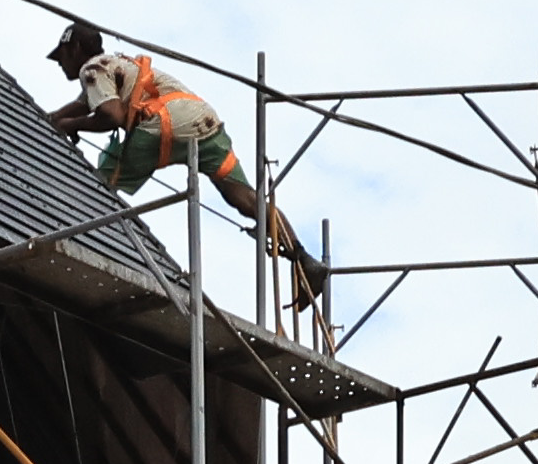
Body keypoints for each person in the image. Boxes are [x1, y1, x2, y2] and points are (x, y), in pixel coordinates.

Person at [40, 21, 330, 310]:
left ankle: (75, 240)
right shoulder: (115, 65)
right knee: (245, 198)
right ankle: (304, 261)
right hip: (203, 121)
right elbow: (82, 106)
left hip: (163, 124)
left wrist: (69, 125)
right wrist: (56, 119)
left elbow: (111, 115)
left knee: (100, 184)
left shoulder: (91, 69)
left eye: (62, 56)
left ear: (75, 48)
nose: (59, 64)